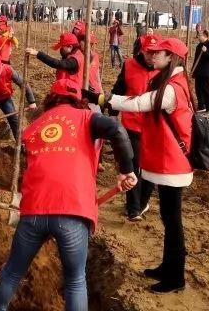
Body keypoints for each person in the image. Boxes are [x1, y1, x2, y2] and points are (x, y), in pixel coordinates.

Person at [0, 79, 137, 311]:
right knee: (75, 280)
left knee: (12, 272)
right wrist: (126, 170)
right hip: (72, 210)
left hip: (34, 210)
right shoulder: (87, 118)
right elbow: (116, 129)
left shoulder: (34, 127)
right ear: (79, 100)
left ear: (50, 99)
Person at [107, 37, 194, 293]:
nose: (152, 56)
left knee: (173, 220)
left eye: (159, 53)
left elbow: (138, 103)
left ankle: (175, 277)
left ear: (171, 58)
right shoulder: (172, 82)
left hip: (174, 164)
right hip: (169, 161)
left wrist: (104, 100)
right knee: (168, 217)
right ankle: (168, 267)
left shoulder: (171, 90)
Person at [111, 34, 160, 221]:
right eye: (149, 52)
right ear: (142, 50)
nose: (152, 56)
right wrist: (112, 113)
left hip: (154, 127)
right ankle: (133, 209)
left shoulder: (164, 69)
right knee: (133, 165)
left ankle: (142, 203)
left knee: (151, 169)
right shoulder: (129, 65)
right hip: (132, 125)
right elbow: (118, 89)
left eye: (155, 53)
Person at [27, 33, 102, 97]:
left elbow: (57, 64)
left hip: (70, 96)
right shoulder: (75, 54)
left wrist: (37, 53)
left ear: (70, 47)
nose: (60, 50)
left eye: (62, 48)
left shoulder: (75, 60)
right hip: (66, 92)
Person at [191, 30, 209, 114]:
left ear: (205, 36)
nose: (198, 37)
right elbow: (196, 59)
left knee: (206, 90)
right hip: (198, 72)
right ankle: (201, 106)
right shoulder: (198, 46)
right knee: (198, 89)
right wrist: (193, 70)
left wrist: (206, 51)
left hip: (205, 72)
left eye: (200, 35)